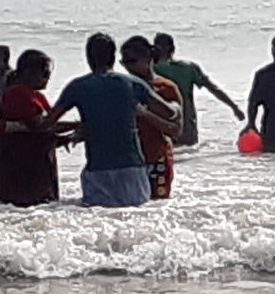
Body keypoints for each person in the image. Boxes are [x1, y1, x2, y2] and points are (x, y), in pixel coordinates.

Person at [39, 33, 180, 207]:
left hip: (97, 169)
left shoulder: (77, 87)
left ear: (89, 58)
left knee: (98, 221)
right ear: (113, 57)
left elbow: (47, 123)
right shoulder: (132, 84)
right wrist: (175, 106)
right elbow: (169, 113)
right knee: (135, 218)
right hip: (132, 168)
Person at [0, 49, 71, 206]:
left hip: (30, 162)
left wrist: (71, 133)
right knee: (26, 209)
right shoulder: (19, 94)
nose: (48, 78)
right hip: (21, 164)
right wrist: (78, 126)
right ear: (28, 72)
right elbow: (40, 126)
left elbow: (46, 125)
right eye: (45, 73)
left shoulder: (35, 95)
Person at [153, 33, 244, 146]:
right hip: (187, 127)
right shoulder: (189, 68)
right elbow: (214, 89)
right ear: (173, 49)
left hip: (160, 126)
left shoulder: (149, 69)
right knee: (189, 156)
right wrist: (234, 107)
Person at [120, 36, 183, 199]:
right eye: (124, 62)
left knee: (157, 207)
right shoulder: (122, 87)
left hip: (157, 157)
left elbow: (176, 130)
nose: (128, 67)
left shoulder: (166, 87)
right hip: (128, 161)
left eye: (132, 61)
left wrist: (145, 114)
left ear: (148, 58)